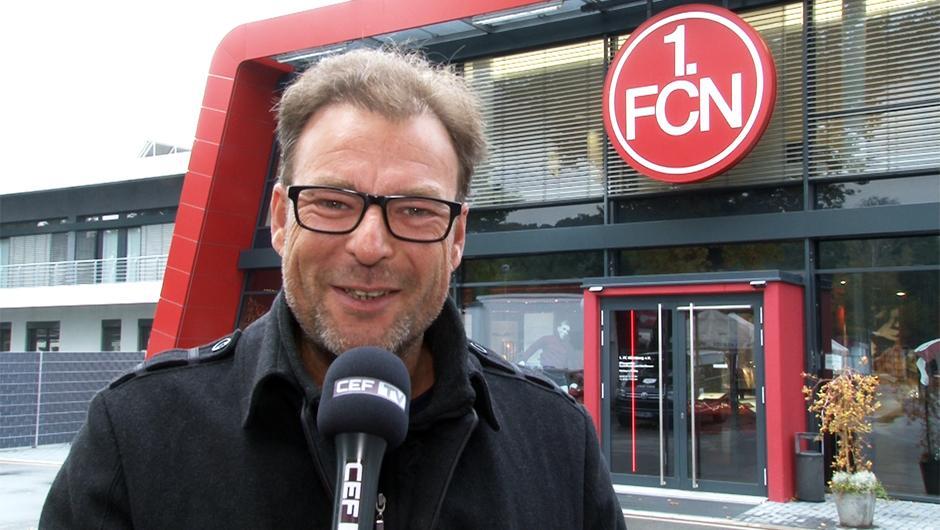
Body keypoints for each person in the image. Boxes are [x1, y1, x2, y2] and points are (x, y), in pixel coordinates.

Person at [40, 48, 626, 529]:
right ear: (280, 219)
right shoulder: (136, 434)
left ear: (456, 237)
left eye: (416, 209)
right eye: (332, 203)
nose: (369, 246)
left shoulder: (557, 441)